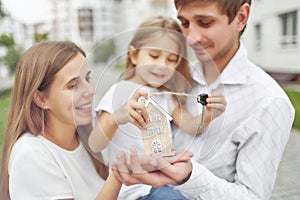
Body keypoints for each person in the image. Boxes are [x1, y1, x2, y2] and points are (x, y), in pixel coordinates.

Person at [111, 1, 295, 200]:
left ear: (241, 17)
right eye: (185, 23)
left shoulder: (268, 101)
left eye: (205, 23)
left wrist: (189, 176)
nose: (190, 38)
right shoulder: (177, 76)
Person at [88, 16, 226, 199]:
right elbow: (96, 144)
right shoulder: (119, 91)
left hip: (163, 185)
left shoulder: (166, 96)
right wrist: (118, 116)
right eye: (154, 55)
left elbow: (193, 128)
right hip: (132, 189)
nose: (162, 65)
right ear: (134, 54)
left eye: (171, 59)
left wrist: (207, 116)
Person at [0, 41, 122, 199]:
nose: (91, 90)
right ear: (41, 98)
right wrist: (119, 176)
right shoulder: (31, 155)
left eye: (88, 78)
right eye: (73, 85)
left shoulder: (83, 138)